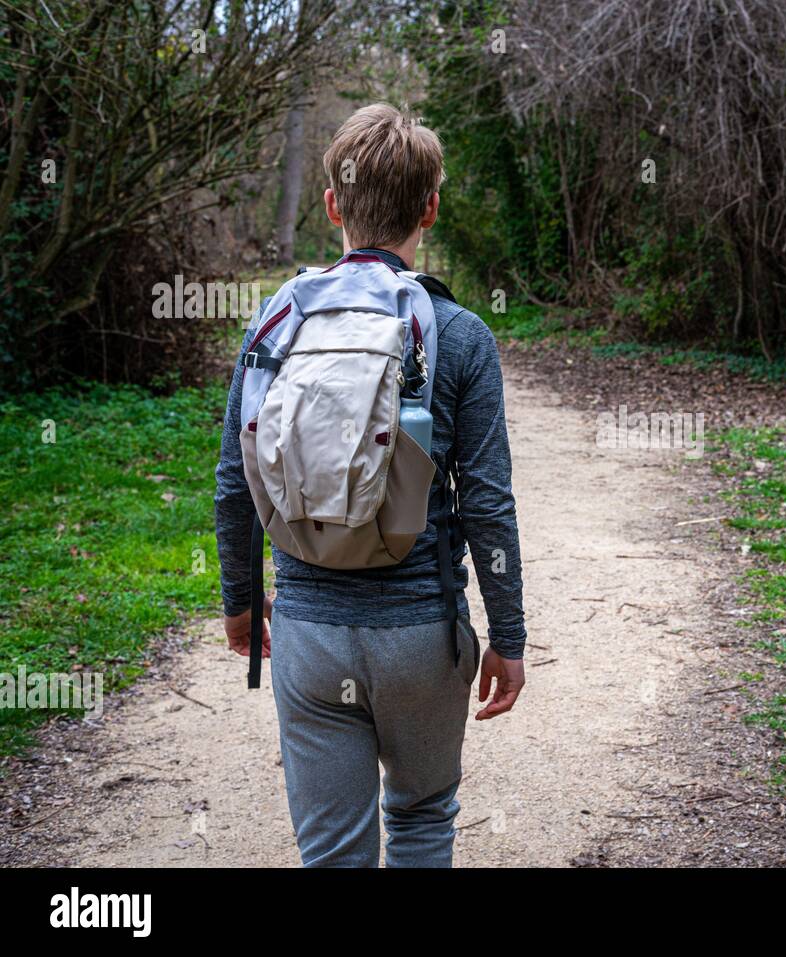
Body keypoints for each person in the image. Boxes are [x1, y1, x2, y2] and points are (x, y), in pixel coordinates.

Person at [213, 103, 526, 867]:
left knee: (332, 851)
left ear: (331, 204)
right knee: (422, 822)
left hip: (310, 636)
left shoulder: (276, 322)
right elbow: (487, 505)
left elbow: (233, 481)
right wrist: (509, 637)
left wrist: (241, 602)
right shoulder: (460, 335)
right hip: (421, 636)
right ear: (431, 208)